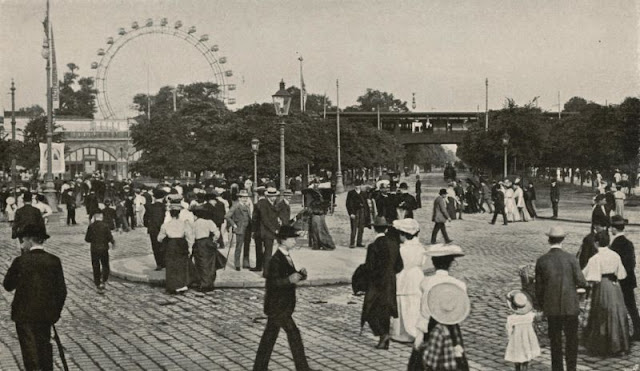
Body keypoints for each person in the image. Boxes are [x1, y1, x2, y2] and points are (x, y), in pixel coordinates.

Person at [3, 224, 67, 371]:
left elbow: (7, 285)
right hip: (46, 315)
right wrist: (54, 314)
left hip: (24, 316)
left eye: (22, 240)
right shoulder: (54, 261)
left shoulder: (20, 261)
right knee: (44, 348)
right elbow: (61, 291)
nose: (21, 244)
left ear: (29, 240)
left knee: (29, 353)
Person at [253, 226, 312, 371]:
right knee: (293, 334)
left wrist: (300, 275)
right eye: (292, 238)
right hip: (278, 306)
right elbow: (272, 283)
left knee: (270, 336)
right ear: (283, 240)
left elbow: (288, 275)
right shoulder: (275, 260)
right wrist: (289, 280)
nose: (295, 241)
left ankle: (259, 368)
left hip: (280, 305)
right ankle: (302, 368)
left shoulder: (285, 256)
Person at [409, 244, 470, 371]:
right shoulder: (458, 284)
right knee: (454, 358)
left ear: (433, 262)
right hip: (450, 326)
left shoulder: (426, 282)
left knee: (421, 361)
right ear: (451, 263)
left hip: (427, 326)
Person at [535, 226, 586, 371]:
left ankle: (557, 368)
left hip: (552, 307)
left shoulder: (542, 260)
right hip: (570, 306)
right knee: (572, 340)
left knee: (555, 341)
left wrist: (540, 305)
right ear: (563, 239)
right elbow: (582, 281)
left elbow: (538, 288)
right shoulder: (571, 259)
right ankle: (572, 368)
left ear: (548, 240)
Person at [582, 232, 630, 355]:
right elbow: (622, 274)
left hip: (602, 286)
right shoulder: (615, 255)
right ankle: (619, 344)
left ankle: (603, 345)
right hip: (615, 287)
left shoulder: (595, 258)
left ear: (596, 243)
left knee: (601, 312)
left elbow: (588, 276)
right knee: (616, 312)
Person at [361, 217, 403, 349]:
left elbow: (370, 267)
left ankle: (382, 335)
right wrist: (390, 273)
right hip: (390, 281)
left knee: (369, 310)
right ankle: (384, 337)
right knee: (385, 310)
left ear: (374, 229)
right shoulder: (394, 243)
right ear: (386, 228)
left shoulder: (373, 246)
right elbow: (399, 265)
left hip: (376, 283)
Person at [390, 218, 425, 343]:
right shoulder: (420, 247)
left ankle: (402, 332)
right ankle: (415, 329)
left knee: (402, 302)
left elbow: (397, 264)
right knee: (415, 303)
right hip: (417, 276)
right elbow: (423, 262)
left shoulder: (401, 249)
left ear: (403, 234)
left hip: (404, 275)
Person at [609, 215, 640, 341]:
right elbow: (632, 263)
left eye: (611, 227)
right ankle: (638, 330)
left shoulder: (615, 244)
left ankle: (619, 332)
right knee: (631, 306)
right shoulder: (628, 243)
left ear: (614, 229)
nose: (610, 230)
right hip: (629, 280)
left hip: (620, 280)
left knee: (618, 306)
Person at [157, 203, 195, 294]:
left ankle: (172, 285)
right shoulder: (184, 224)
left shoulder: (165, 225)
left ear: (170, 213)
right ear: (179, 213)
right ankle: (182, 285)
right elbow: (189, 236)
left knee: (171, 265)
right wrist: (190, 247)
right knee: (181, 264)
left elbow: (159, 238)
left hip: (171, 244)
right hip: (181, 244)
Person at [504, 290, 540, 371]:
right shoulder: (531, 316)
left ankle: (517, 369)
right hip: (528, 339)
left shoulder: (511, 318)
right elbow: (535, 324)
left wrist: (509, 339)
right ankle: (525, 369)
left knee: (517, 357)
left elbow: (509, 330)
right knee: (526, 356)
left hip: (517, 340)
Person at [191, 206, 221, 292]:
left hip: (199, 243)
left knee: (200, 263)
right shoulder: (209, 222)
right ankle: (209, 283)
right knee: (210, 264)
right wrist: (214, 240)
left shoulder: (194, 223)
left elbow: (191, 235)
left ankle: (203, 283)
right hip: (208, 243)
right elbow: (217, 233)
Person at [84, 210, 115, 293]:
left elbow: (87, 239)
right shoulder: (105, 226)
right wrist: (112, 242)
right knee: (105, 264)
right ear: (101, 217)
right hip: (104, 248)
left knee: (95, 265)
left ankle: (97, 282)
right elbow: (109, 237)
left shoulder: (91, 226)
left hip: (94, 249)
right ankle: (104, 279)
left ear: (94, 218)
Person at [253, 187, 281, 277]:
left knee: (268, 252)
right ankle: (266, 272)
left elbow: (274, 218)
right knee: (267, 252)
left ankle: (266, 270)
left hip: (269, 232)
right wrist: (274, 229)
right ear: (267, 196)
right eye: (271, 196)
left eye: (275, 196)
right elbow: (265, 219)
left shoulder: (274, 204)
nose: (273, 198)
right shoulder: (263, 204)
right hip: (265, 231)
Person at [225, 190, 253, 271]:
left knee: (247, 246)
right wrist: (234, 224)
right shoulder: (236, 206)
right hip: (240, 228)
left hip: (248, 228)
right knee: (239, 247)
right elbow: (227, 216)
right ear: (239, 198)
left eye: (246, 197)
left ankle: (246, 262)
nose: (245, 199)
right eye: (243, 197)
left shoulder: (247, 206)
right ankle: (237, 264)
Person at [307, 184, 336, 251]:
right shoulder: (319, 196)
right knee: (320, 230)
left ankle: (318, 244)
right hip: (318, 215)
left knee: (318, 230)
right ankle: (318, 244)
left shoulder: (314, 197)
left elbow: (311, 207)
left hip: (317, 215)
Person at [346, 182, 370, 248]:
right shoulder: (351, 193)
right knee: (354, 227)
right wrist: (351, 213)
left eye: (359, 185)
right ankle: (352, 243)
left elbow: (366, 204)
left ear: (361, 185)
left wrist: (366, 213)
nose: (357, 186)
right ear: (354, 185)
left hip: (362, 211)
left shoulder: (363, 193)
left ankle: (359, 242)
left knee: (361, 227)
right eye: (356, 185)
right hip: (355, 211)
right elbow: (348, 204)